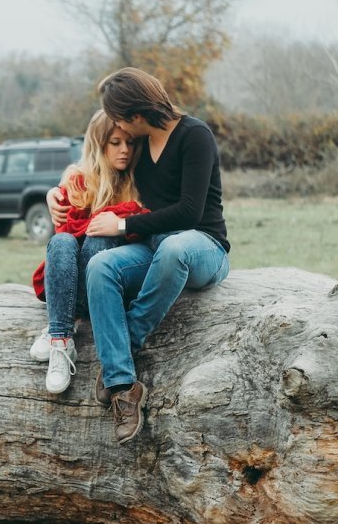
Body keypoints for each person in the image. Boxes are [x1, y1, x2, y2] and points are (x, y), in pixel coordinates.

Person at [48, 68, 230, 444]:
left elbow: (190, 212)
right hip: (152, 246)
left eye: (117, 115)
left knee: (174, 247)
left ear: (135, 113)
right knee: (100, 266)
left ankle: (123, 346)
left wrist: (120, 227)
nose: (118, 127)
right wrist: (56, 192)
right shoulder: (140, 145)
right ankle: (123, 387)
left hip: (201, 246)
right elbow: (94, 171)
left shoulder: (195, 135)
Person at [29, 109, 148, 394]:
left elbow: (144, 223)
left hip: (105, 289)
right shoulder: (78, 180)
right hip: (69, 285)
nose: (125, 151)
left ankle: (59, 328)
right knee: (61, 242)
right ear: (98, 144)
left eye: (130, 143)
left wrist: (116, 222)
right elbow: (64, 234)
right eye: (116, 142)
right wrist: (54, 194)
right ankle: (61, 340)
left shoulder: (138, 182)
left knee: (97, 241)